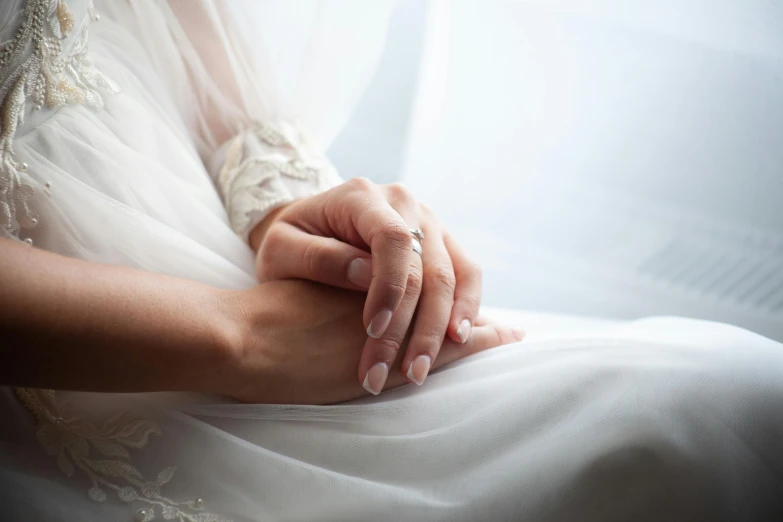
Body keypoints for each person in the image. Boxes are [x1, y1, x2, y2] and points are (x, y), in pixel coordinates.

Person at [1, 1, 782, 520]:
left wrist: (290, 208)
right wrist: (240, 335)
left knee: (727, 399)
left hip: (256, 290)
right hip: (93, 387)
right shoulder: (237, 337)